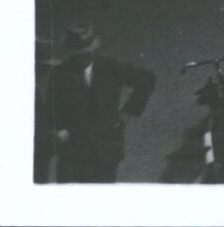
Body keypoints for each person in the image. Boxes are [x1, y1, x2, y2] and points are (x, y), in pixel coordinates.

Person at [37, 23, 156, 183]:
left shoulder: (111, 67)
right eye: (78, 54)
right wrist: (56, 131)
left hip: (105, 150)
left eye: (87, 52)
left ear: (94, 49)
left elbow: (147, 80)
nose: (83, 57)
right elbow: (52, 109)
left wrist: (126, 114)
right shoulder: (59, 74)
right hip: (73, 153)